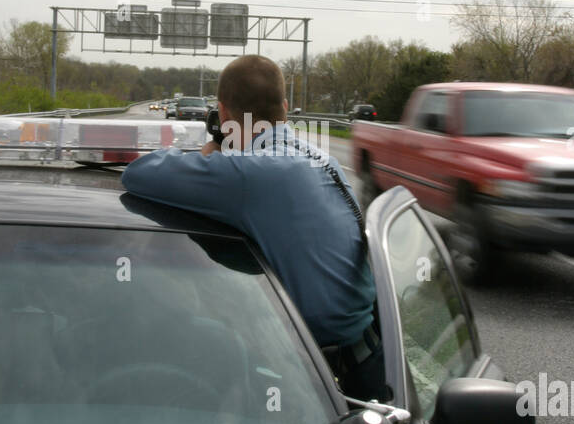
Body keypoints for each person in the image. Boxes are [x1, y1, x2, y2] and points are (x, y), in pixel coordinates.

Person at [120, 54, 387, 402]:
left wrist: (214, 149)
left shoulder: (253, 174)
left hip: (328, 383)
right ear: (286, 108)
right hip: (372, 361)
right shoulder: (321, 159)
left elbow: (138, 174)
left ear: (223, 113)